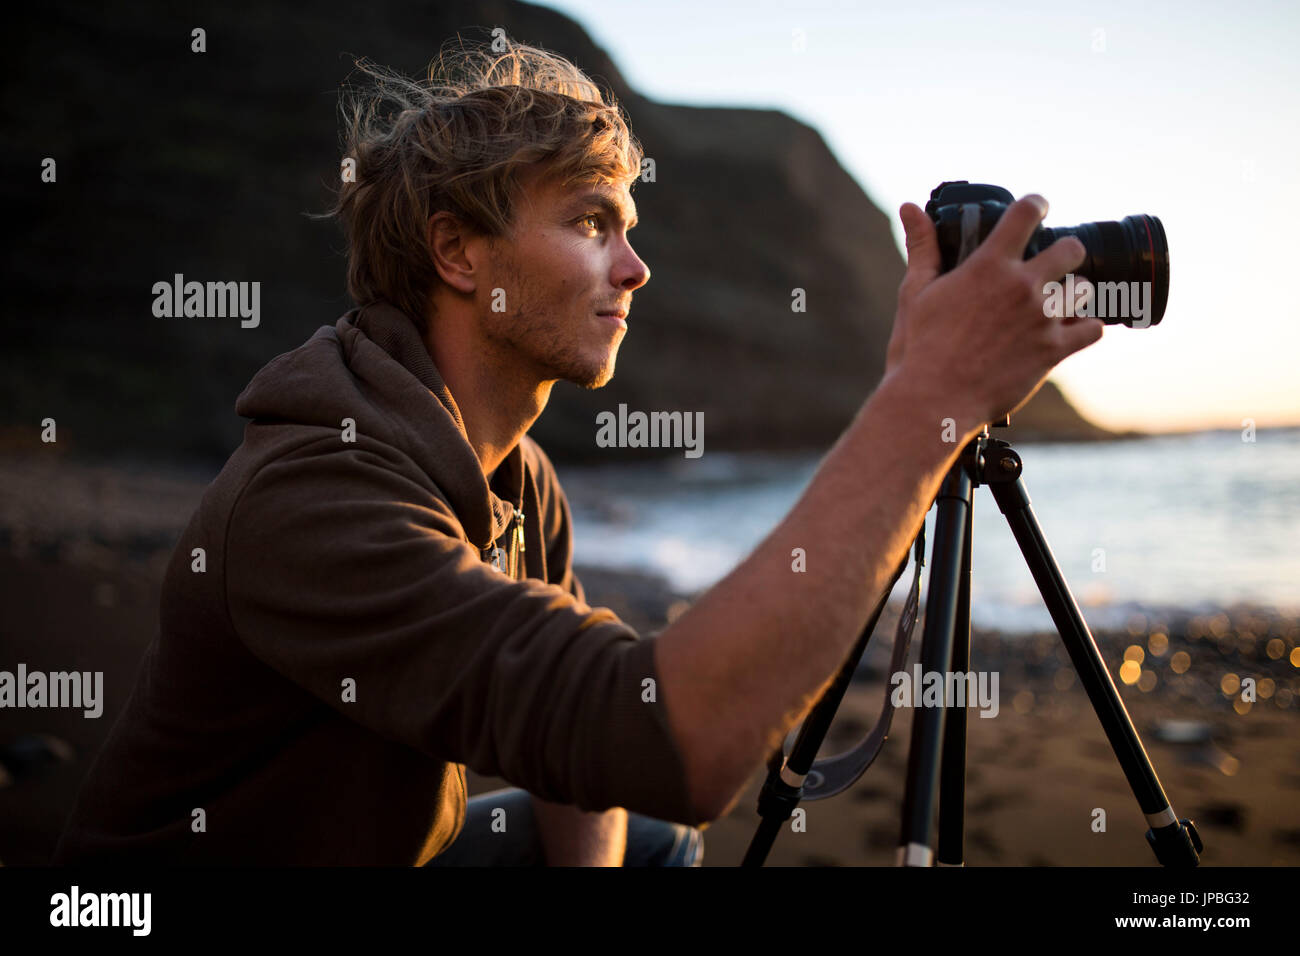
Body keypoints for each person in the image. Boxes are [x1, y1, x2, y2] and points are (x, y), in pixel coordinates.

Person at [53, 38, 1101, 867]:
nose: (635, 267)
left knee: (642, 843)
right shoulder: (315, 496)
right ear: (457, 251)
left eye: (628, 225)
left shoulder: (515, 474)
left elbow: (582, 749)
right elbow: (675, 738)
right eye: (592, 222)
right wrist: (929, 399)